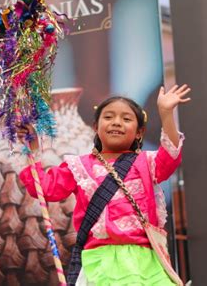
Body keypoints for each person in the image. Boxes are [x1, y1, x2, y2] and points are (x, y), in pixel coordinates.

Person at [18, 84, 191, 285]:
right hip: (100, 260)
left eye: (126, 119)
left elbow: (170, 158)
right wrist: (33, 148)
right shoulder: (78, 166)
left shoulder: (147, 162)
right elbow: (46, 188)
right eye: (108, 117)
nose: (116, 122)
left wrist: (166, 114)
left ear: (139, 132)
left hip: (146, 261)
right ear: (95, 126)